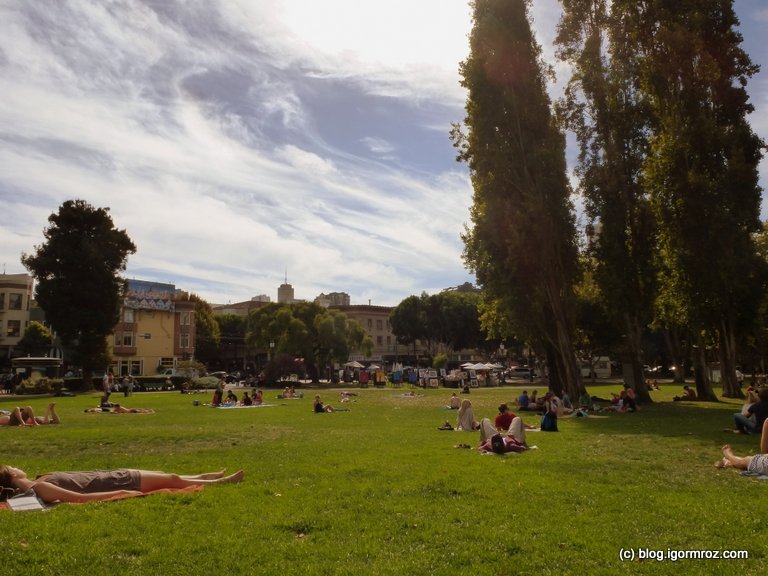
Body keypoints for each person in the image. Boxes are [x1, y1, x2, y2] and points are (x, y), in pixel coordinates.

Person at [0, 465, 244, 504]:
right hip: (117, 480)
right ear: (12, 476)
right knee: (172, 480)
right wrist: (122, 493)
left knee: (166, 475)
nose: (17, 466)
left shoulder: (39, 481)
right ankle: (222, 481)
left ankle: (205, 477)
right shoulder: (39, 488)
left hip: (112, 475)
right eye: (12, 466)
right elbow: (82, 499)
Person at [85, 403, 154, 414]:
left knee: (139, 411)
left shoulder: (119, 408)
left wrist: (113, 412)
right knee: (139, 411)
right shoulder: (119, 408)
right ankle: (148, 410)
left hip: (130, 411)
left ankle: (148, 411)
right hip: (130, 410)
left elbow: (114, 412)